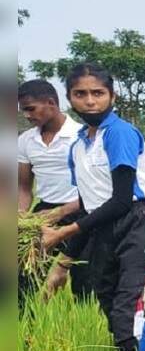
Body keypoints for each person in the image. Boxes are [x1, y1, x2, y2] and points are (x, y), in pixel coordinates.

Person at [41, 62, 145, 351]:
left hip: (140, 225)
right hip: (104, 229)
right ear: (69, 98)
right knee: (110, 303)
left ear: (112, 97)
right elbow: (89, 207)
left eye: (98, 93)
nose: (90, 101)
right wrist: (63, 265)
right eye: (80, 94)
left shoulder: (119, 134)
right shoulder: (78, 146)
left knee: (135, 309)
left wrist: (63, 232)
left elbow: (120, 201)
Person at [17, 79, 90, 302]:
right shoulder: (25, 140)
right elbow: (23, 187)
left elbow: (97, 190)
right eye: (23, 111)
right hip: (43, 212)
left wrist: (59, 213)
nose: (27, 115)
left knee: (85, 278)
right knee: (24, 275)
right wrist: (21, 218)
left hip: (83, 209)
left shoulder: (82, 135)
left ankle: (82, 325)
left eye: (31, 109)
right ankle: (23, 328)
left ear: (51, 103)